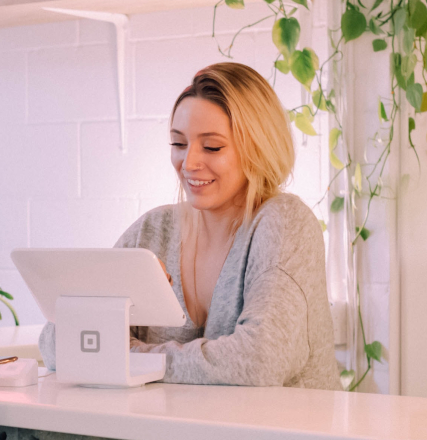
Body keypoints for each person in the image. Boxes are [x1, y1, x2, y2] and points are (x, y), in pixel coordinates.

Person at [40, 62, 341, 389]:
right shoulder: (154, 231)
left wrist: (132, 359)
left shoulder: (284, 223)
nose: (190, 163)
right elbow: (57, 344)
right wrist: (117, 306)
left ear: (258, 147)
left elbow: (259, 361)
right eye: (179, 144)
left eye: (212, 146)